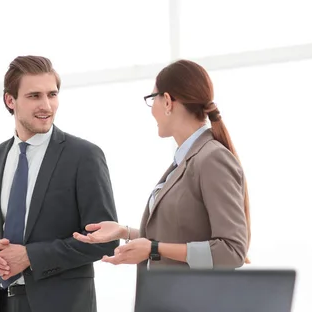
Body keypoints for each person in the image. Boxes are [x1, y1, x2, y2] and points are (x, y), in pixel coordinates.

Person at [0, 55, 118, 312]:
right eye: (34, 96)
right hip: (11, 307)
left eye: (52, 94)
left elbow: (105, 239)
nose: (47, 105)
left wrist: (31, 256)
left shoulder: (83, 156)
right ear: (11, 100)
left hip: (62, 310)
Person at [74, 59, 250, 269]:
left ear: (167, 101)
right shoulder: (187, 159)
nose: (151, 110)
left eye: (152, 99)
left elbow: (232, 251)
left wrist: (154, 248)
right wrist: (125, 232)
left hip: (192, 299)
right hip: (169, 297)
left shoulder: (211, 158)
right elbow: (180, 236)